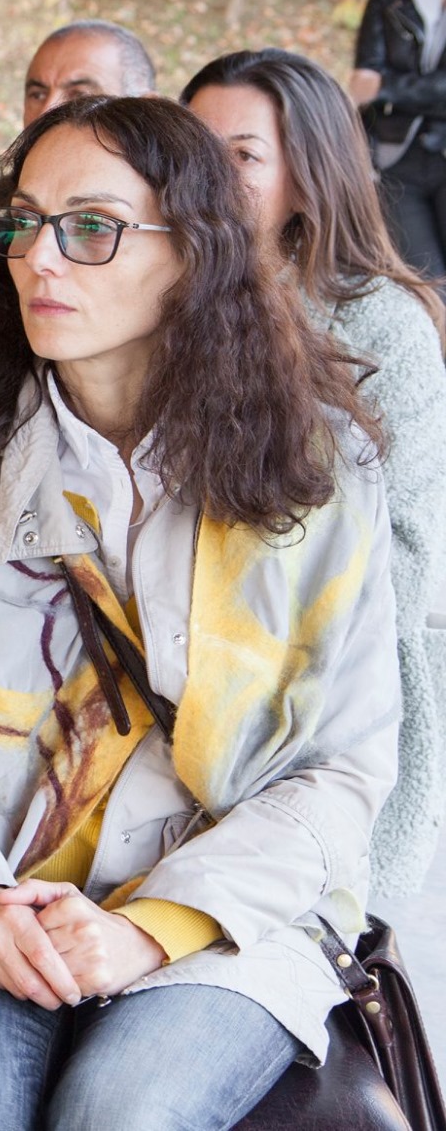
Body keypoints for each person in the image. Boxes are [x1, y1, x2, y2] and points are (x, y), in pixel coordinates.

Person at [0, 94, 398, 1130]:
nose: (38, 258)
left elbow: (342, 769)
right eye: (22, 222)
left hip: (231, 906)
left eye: (91, 227)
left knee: (123, 1111)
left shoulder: (314, 470)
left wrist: (151, 925)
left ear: (194, 251)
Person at [185, 46, 446, 897]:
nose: (209, 178)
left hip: (324, 693)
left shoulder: (383, 325)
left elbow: (406, 553)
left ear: (308, 174)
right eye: (195, 149)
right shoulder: (147, 296)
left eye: (243, 155)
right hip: (155, 671)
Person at [0, 21, 156, 292]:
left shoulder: (174, 205)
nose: (48, 110)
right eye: (37, 94)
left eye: (80, 95)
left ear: (146, 108)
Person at [352, 0, 446, 278]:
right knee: (425, 283)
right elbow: (363, 80)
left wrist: (388, 86)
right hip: (397, 157)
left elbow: (376, 83)